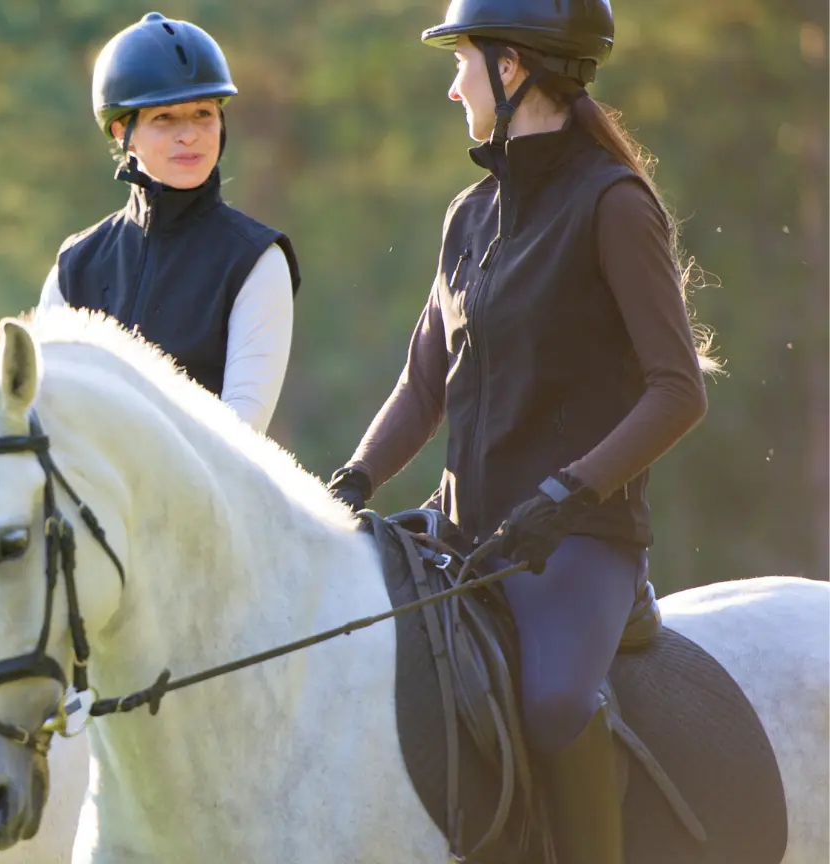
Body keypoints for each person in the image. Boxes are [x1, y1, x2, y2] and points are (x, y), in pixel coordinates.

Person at [324, 1, 714, 861]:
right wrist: (353, 480)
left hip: (578, 539)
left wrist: (569, 492)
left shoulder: (614, 205)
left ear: (512, 69)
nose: (452, 80)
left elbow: (678, 392)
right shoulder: (468, 215)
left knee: (554, 706)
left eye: (463, 59)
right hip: (464, 532)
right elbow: (423, 385)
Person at [37, 12, 301, 435]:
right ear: (123, 131)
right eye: (165, 119)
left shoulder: (256, 259)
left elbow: (240, 435)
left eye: (202, 114)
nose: (190, 135)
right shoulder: (74, 267)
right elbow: (46, 414)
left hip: (208, 497)